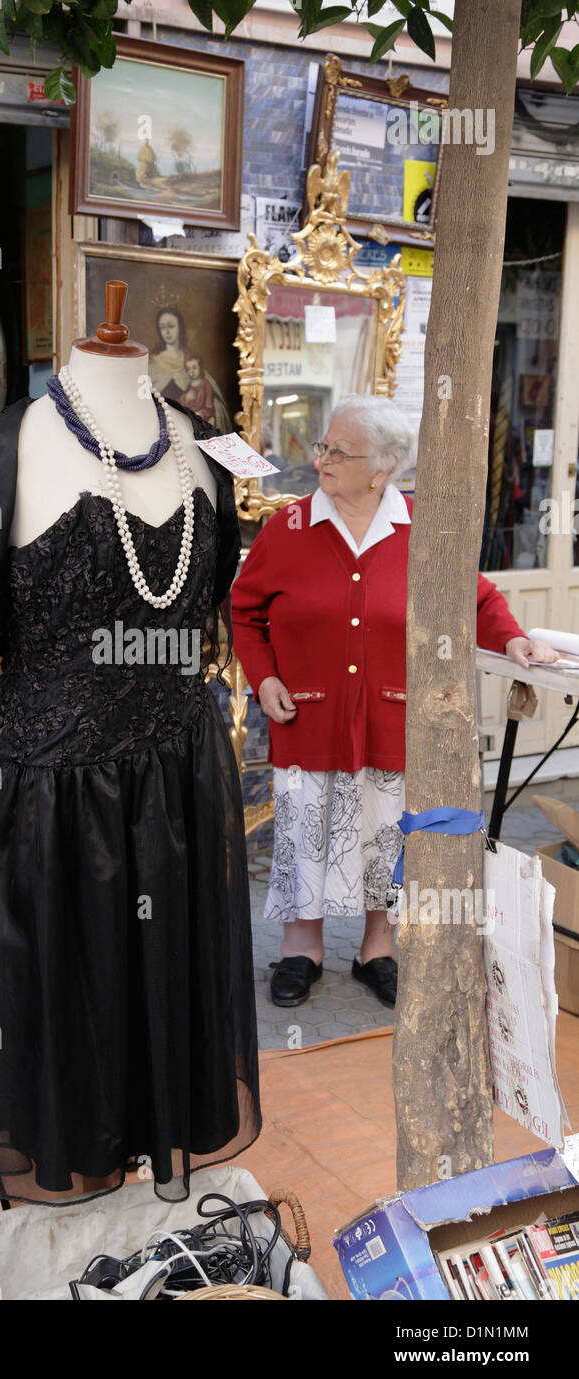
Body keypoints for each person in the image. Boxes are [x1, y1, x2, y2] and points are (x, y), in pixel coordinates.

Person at [231, 394, 559, 1009]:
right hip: (306, 714)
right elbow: (245, 611)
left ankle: (375, 951)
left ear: (381, 469)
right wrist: (264, 676)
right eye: (322, 446)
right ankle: (301, 951)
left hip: (391, 714)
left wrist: (513, 637)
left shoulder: (421, 531)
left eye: (338, 451)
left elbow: (477, 599)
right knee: (308, 831)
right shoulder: (290, 528)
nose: (321, 458)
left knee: (384, 833)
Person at [149, 305, 232, 433]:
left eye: (171, 326)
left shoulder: (192, 362)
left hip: (193, 432)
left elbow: (216, 401)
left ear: (180, 328)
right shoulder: (153, 365)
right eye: (162, 327)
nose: (167, 332)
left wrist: (206, 406)